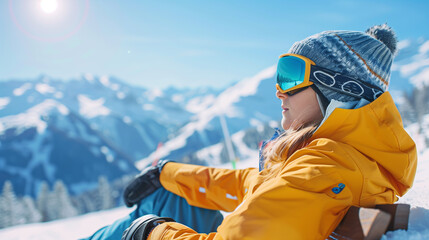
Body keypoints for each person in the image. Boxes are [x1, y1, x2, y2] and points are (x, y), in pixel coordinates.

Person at [84, 24, 417, 240]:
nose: (279, 92)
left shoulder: (325, 169)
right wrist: (167, 173)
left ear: (339, 88)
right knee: (168, 194)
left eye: (290, 76)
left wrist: (153, 233)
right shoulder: (335, 156)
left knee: (134, 224)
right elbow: (251, 184)